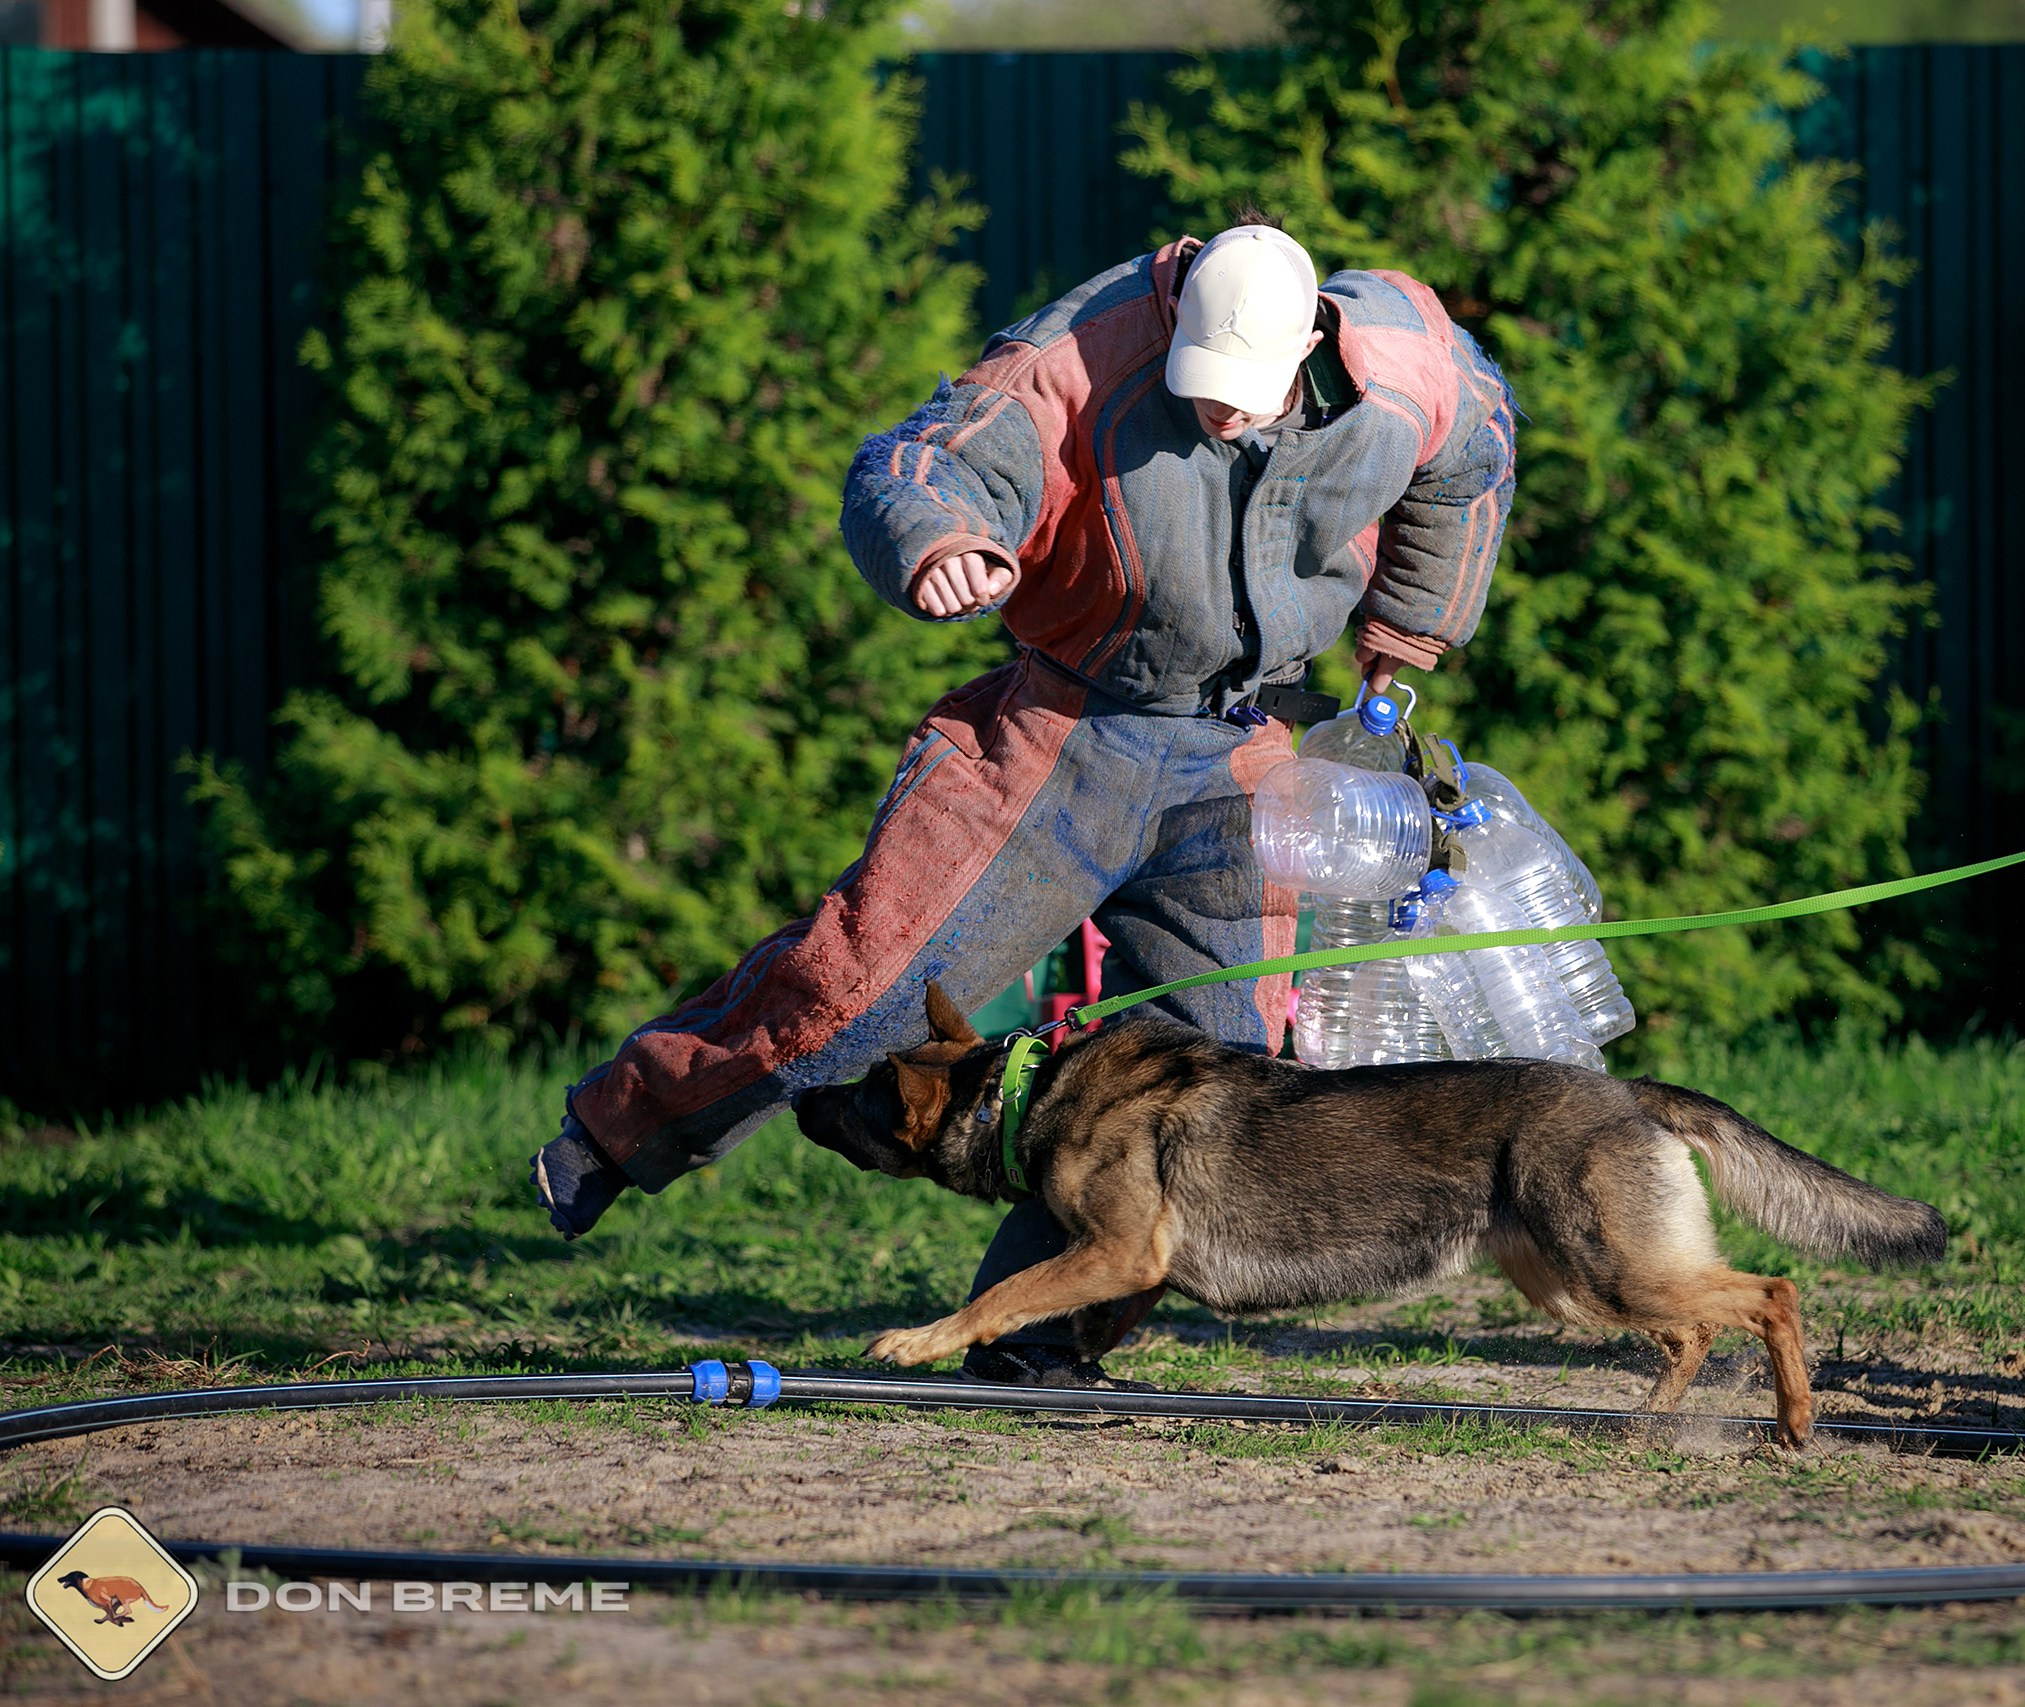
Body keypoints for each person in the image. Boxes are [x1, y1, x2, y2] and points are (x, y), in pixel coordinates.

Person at [529, 215, 1518, 1386]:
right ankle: (619, 1129)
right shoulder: (1077, 353)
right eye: (1203, 390)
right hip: (1063, 733)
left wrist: (1411, 631)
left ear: (1313, 338)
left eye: (1249, 395)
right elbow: (919, 461)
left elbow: (1476, 456)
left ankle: (1037, 1346)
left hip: (1247, 744)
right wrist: (939, 538)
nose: (1226, 415)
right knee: (868, 991)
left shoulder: (1407, 364)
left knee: (1215, 1087)